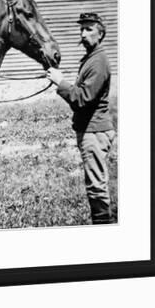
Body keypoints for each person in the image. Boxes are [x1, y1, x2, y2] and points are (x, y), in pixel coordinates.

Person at [46, 12, 116, 224]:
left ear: (100, 34)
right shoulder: (92, 59)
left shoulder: (98, 62)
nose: (83, 34)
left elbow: (82, 98)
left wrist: (61, 82)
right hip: (91, 130)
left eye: (89, 29)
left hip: (94, 132)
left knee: (97, 188)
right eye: (81, 29)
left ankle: (105, 232)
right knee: (95, 185)